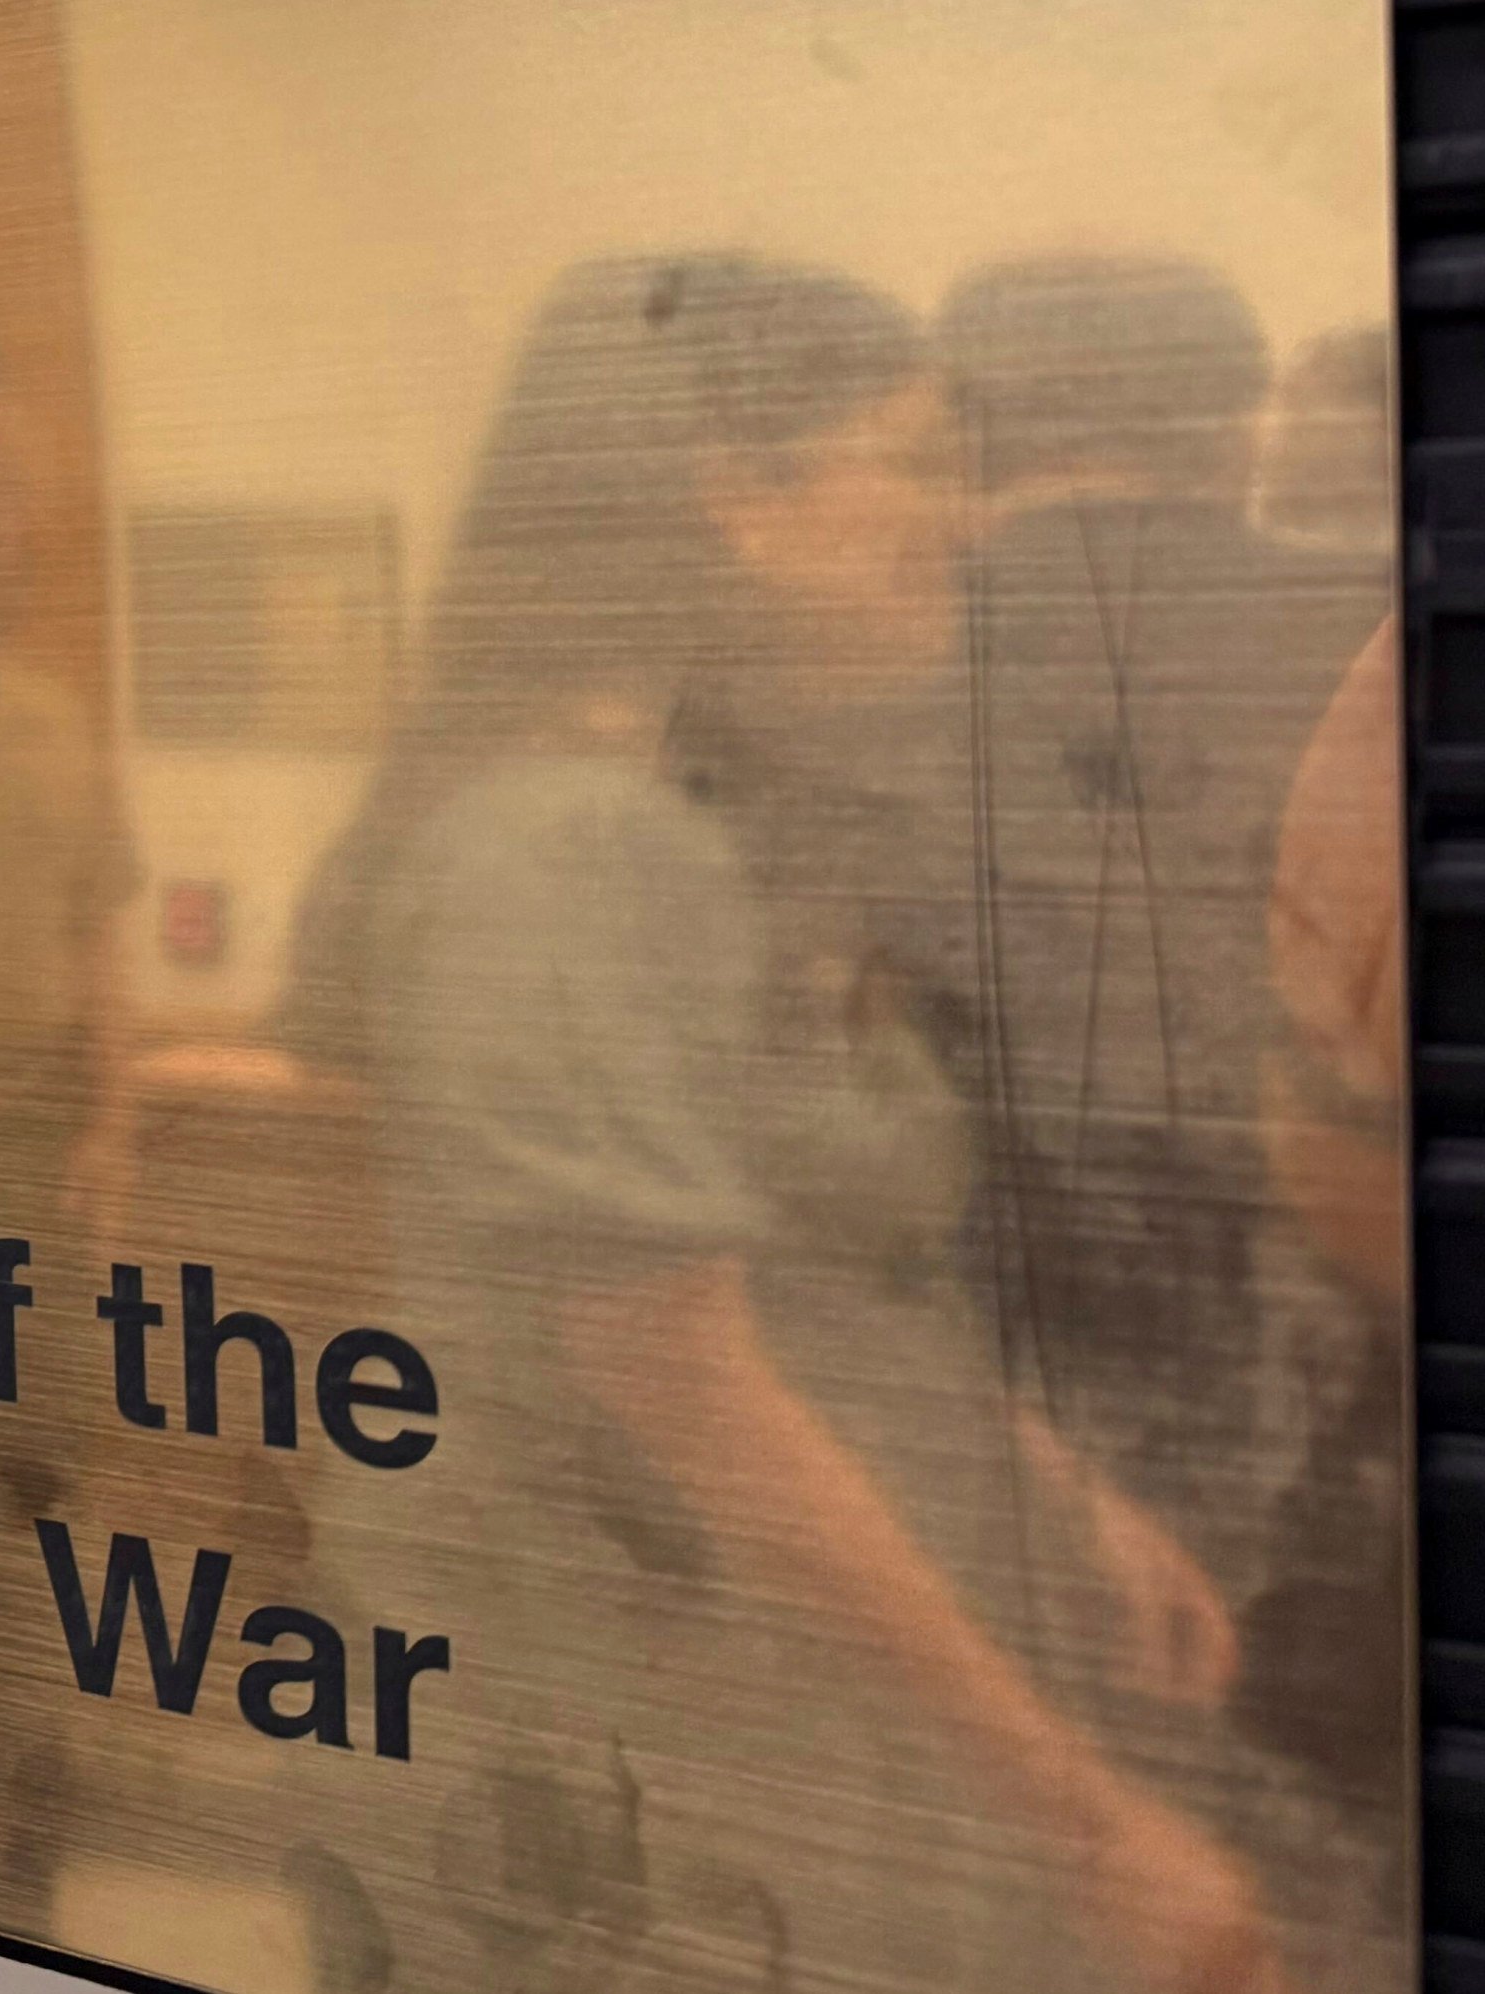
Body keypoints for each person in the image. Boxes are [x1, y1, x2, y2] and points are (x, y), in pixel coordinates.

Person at [285, 255, 1281, 1994]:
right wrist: (1089, 1822)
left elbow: (819, 1269)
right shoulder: (580, 846)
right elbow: (681, 1375)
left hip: (760, 1665)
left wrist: (1051, 1493)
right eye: (912, 461)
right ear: (734, 501)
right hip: (643, 1693)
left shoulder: (692, 816)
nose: (962, 528)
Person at [935, 261, 1389, 1608]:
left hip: (967, 1311)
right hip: (1306, 1281)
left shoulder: (884, 626)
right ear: (1233, 425)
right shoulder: (1364, 618)